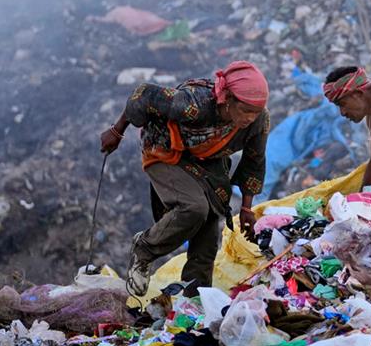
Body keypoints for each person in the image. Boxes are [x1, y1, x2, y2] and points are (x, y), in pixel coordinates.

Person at [100, 61, 270, 297]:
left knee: (209, 230)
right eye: (245, 111)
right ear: (228, 99)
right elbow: (143, 95)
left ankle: (194, 301)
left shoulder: (258, 121)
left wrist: (246, 208)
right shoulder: (193, 104)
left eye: (255, 112)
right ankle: (145, 249)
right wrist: (117, 131)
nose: (250, 118)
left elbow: (255, 161)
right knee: (193, 207)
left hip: (208, 163)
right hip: (166, 152)